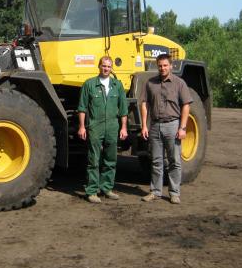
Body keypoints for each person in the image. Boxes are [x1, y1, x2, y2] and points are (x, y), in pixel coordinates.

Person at [140, 53, 192, 204]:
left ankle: (174, 193)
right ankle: (155, 192)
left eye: (165, 65)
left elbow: (186, 105)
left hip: (173, 125)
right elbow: (144, 104)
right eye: (160, 66)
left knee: (174, 161)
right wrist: (144, 125)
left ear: (171, 66)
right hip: (155, 125)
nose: (162, 68)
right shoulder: (150, 83)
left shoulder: (179, 83)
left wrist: (182, 128)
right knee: (156, 161)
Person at [77, 56, 128, 203]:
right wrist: (82, 126)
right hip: (95, 126)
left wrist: (124, 127)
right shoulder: (90, 84)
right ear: (99, 66)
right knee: (93, 160)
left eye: (109, 66)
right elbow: (82, 108)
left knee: (111, 159)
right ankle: (92, 191)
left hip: (112, 126)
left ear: (112, 68)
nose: (106, 69)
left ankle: (107, 188)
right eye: (104, 66)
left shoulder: (117, 85)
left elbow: (123, 109)